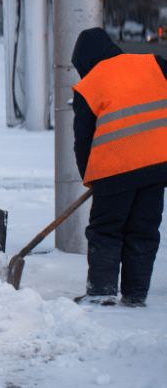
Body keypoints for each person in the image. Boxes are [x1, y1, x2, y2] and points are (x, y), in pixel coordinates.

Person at [71, 27, 167, 307]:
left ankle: (101, 291)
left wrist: (90, 179)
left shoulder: (89, 85)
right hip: (158, 166)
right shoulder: (154, 63)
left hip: (114, 169)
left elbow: (83, 141)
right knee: (144, 230)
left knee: (106, 229)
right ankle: (136, 295)